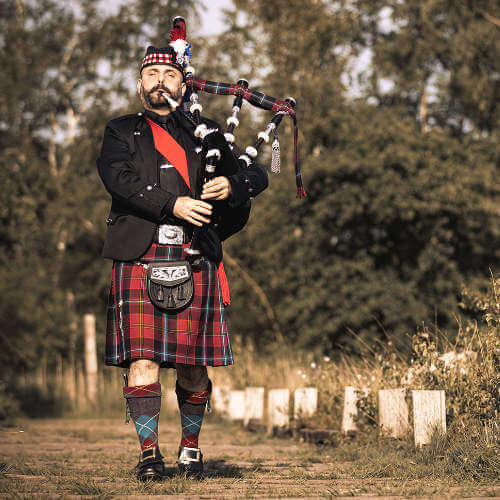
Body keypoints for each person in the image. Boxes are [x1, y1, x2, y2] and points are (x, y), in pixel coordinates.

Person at [96, 37, 268, 481]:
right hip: (141, 252)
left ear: (182, 81)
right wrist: (173, 205)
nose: (160, 81)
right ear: (139, 86)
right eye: (151, 74)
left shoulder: (207, 132)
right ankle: (149, 454)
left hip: (196, 255)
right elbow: (118, 179)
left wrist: (232, 188)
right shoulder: (121, 130)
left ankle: (190, 450)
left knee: (193, 363)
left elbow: (255, 175)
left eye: (169, 74)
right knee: (143, 359)